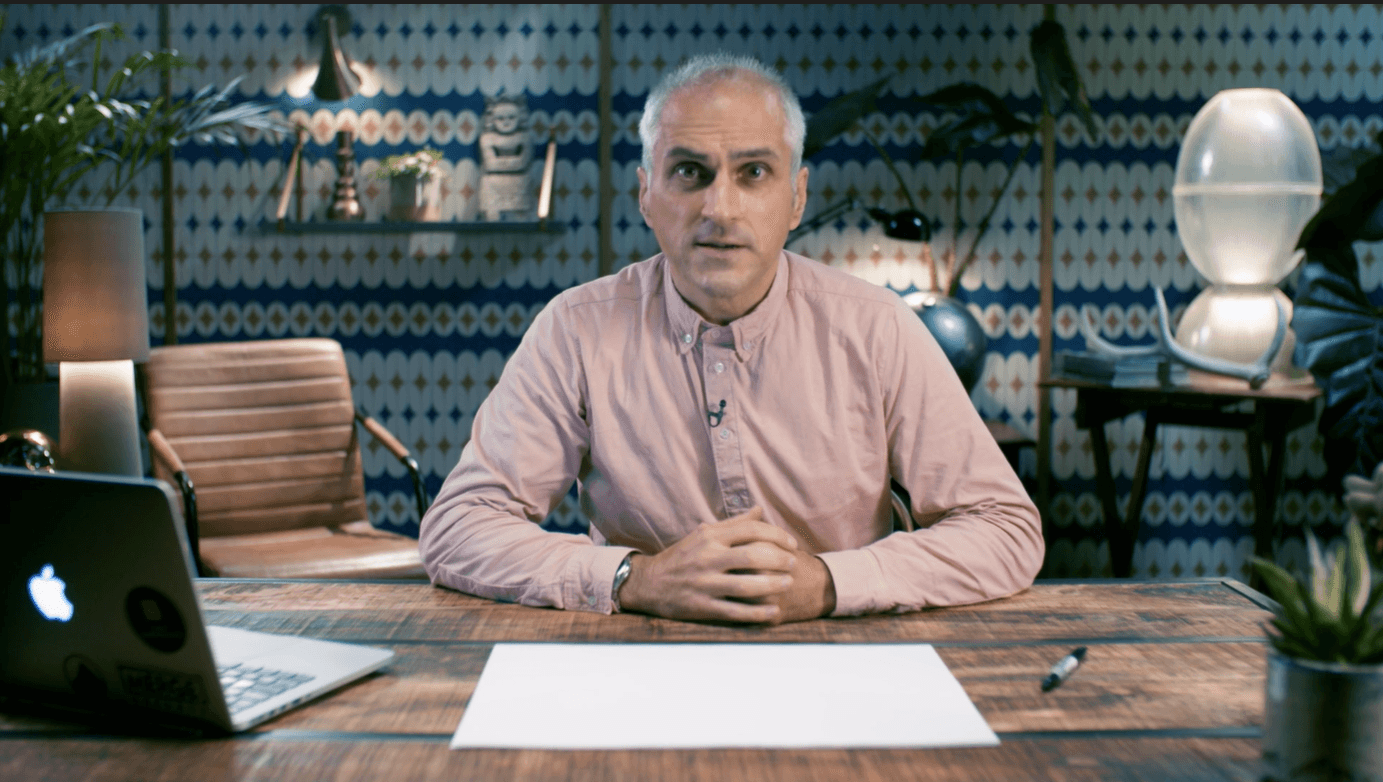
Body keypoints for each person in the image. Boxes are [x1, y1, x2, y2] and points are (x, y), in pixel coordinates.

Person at [420, 53, 1043, 624]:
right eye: (689, 171)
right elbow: (459, 527)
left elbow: (1005, 529)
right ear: (646, 194)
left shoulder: (879, 327)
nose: (719, 208)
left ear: (796, 198)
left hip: (850, 655)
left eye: (754, 172)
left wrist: (828, 584)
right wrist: (636, 579)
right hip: (638, 658)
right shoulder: (575, 329)